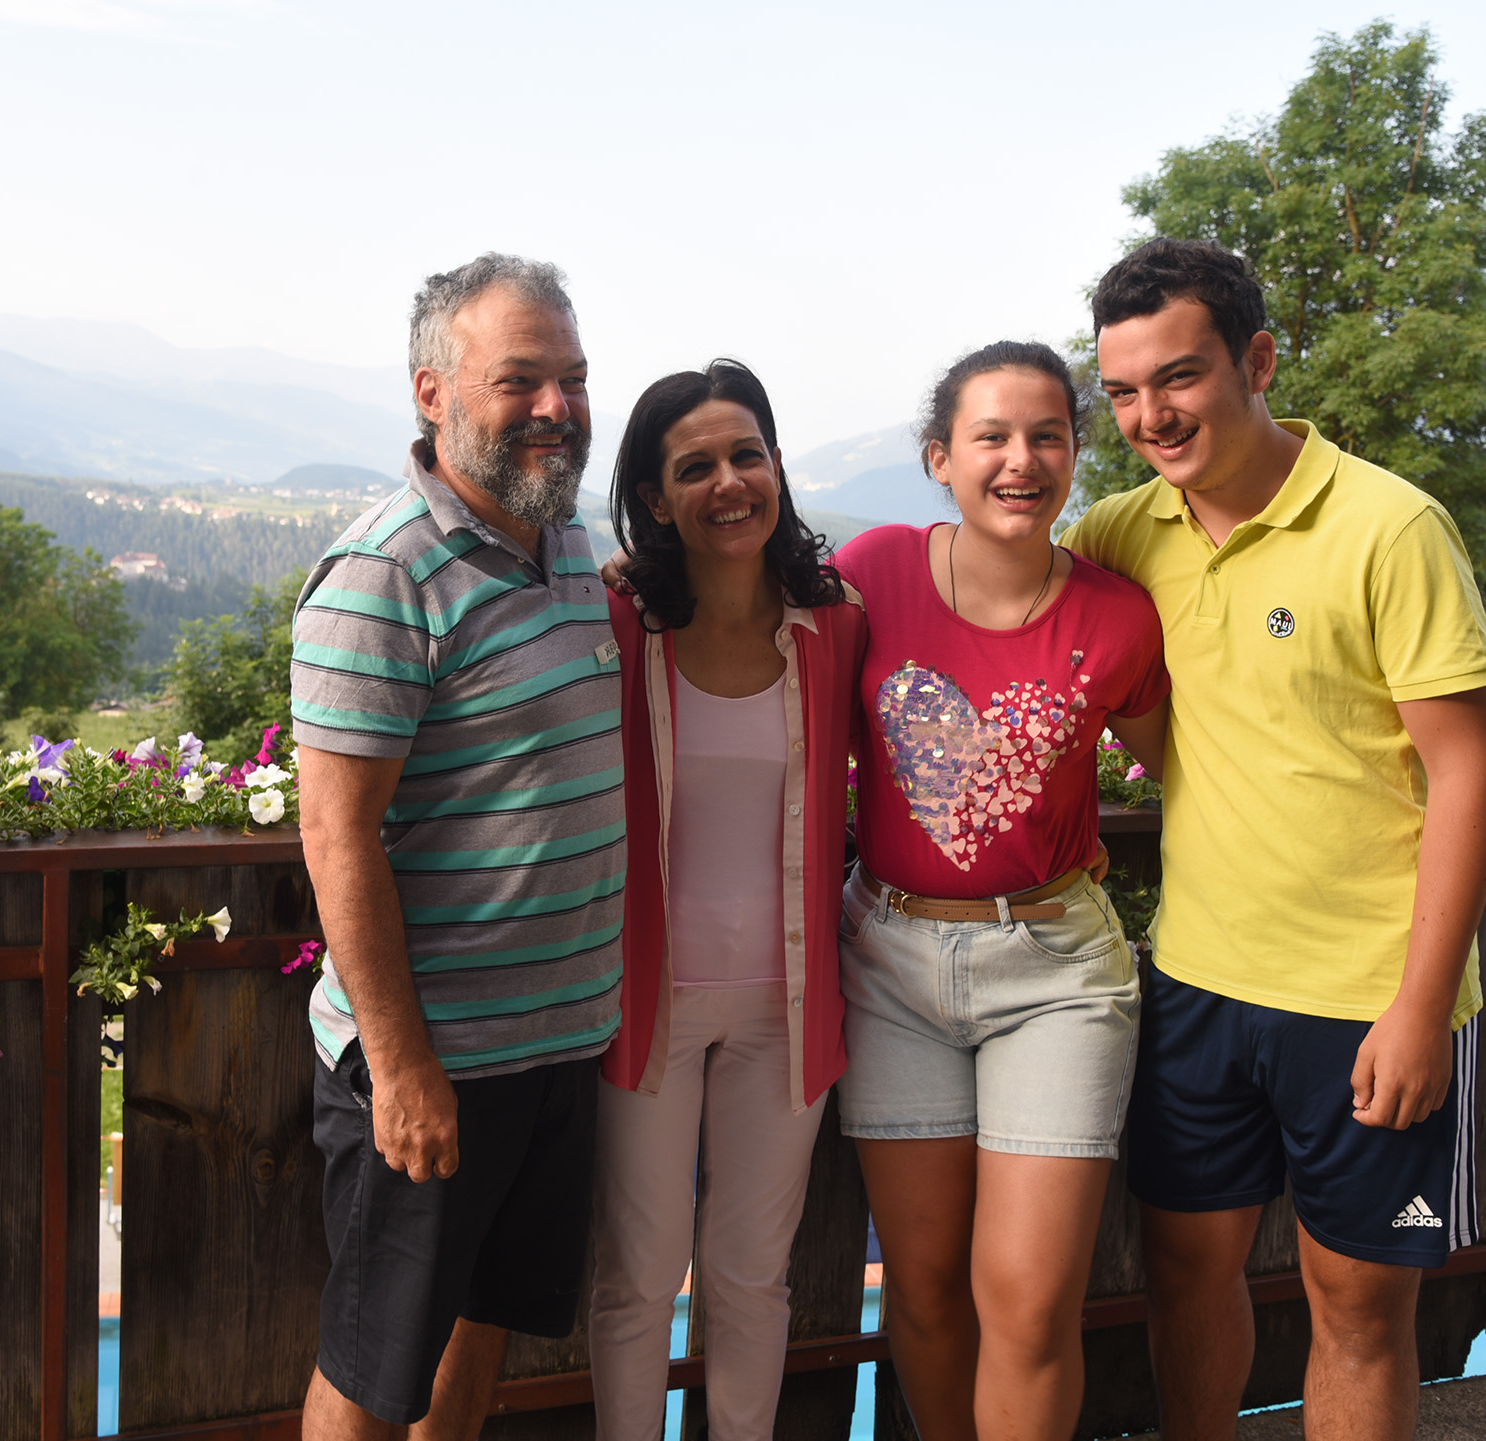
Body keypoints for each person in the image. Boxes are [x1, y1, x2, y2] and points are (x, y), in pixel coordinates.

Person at [1062, 237, 1486, 1441]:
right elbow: (1005, 606)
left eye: (1179, 376)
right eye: (1122, 391)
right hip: (1196, 978)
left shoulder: (1389, 527)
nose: (1150, 415)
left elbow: (1468, 774)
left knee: (1356, 1305)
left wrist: (1418, 1007)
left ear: (1254, 361)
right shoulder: (1119, 533)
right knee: (1180, 1275)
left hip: (1366, 996)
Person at [290, 253, 624, 1441]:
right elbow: (335, 834)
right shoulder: (382, 574)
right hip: (437, 1061)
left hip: (553, 1049)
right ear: (431, 392)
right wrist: (400, 1068)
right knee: (374, 1370)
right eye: (519, 378)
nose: (556, 406)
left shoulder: (562, 540)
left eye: (571, 377)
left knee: (478, 1327)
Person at [835, 341, 1171, 1441]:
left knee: (1026, 1303)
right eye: (991, 436)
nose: (1020, 459)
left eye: (1047, 436)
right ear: (940, 457)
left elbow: (1190, 767)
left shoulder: (1117, 618)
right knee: (925, 1289)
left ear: (1074, 455)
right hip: (888, 964)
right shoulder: (872, 573)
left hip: (1054, 973)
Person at [589, 360, 867, 1441]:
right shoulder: (621, 624)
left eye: (746, 455)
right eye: (693, 467)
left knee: (752, 1274)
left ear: (778, 466)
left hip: (788, 1006)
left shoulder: (833, 625)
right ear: (656, 500)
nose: (728, 482)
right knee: (639, 1273)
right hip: (645, 1000)